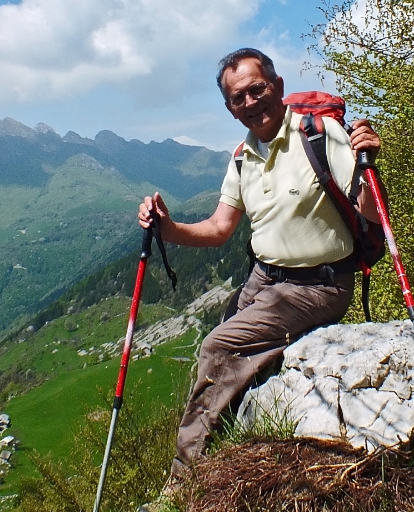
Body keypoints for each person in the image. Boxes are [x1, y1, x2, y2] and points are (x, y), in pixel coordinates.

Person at [138, 47, 382, 482]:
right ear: (230, 109)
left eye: (257, 89)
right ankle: (229, 442)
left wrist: (368, 166)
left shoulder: (321, 135)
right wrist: (166, 228)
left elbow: (372, 213)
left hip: (318, 285)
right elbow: (219, 228)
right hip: (264, 277)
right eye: (238, 98)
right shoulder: (241, 156)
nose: (250, 103)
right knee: (221, 333)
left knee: (218, 346)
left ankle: (183, 482)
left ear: (278, 88)